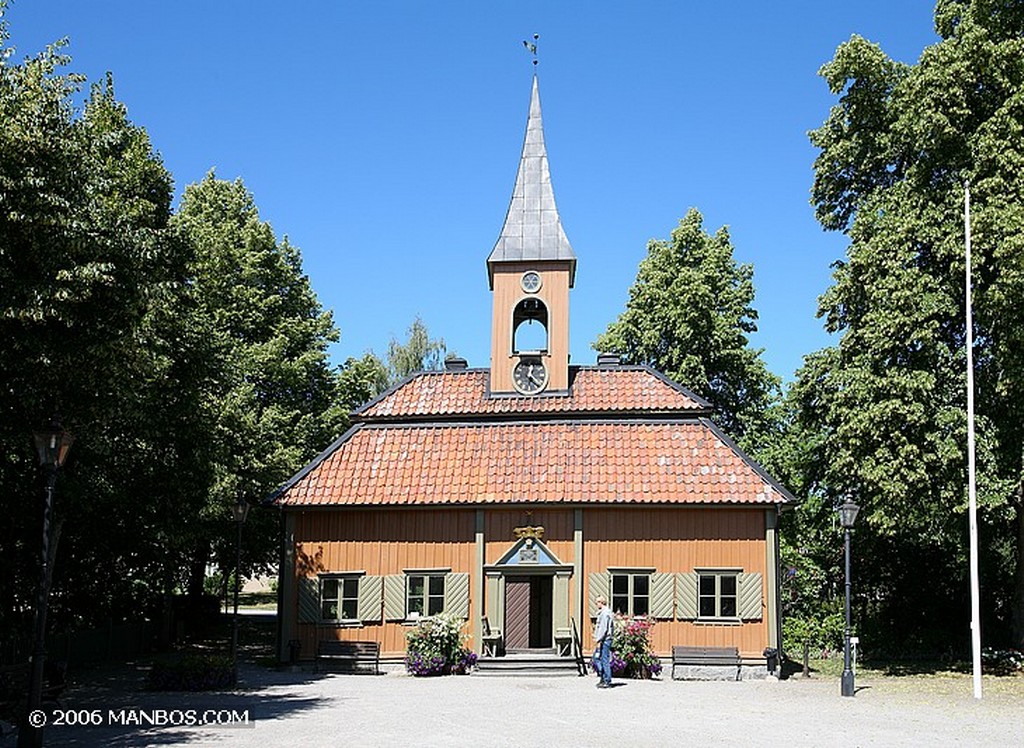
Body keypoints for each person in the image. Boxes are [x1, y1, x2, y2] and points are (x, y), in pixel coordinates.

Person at [592, 595, 614, 688]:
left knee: (603, 659)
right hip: (604, 639)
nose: (596, 604)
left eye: (597, 602)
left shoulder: (605, 614)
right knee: (597, 658)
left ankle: (606, 680)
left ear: (601, 602)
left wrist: (598, 640)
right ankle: (603, 677)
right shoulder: (604, 613)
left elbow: (603, 628)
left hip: (604, 640)